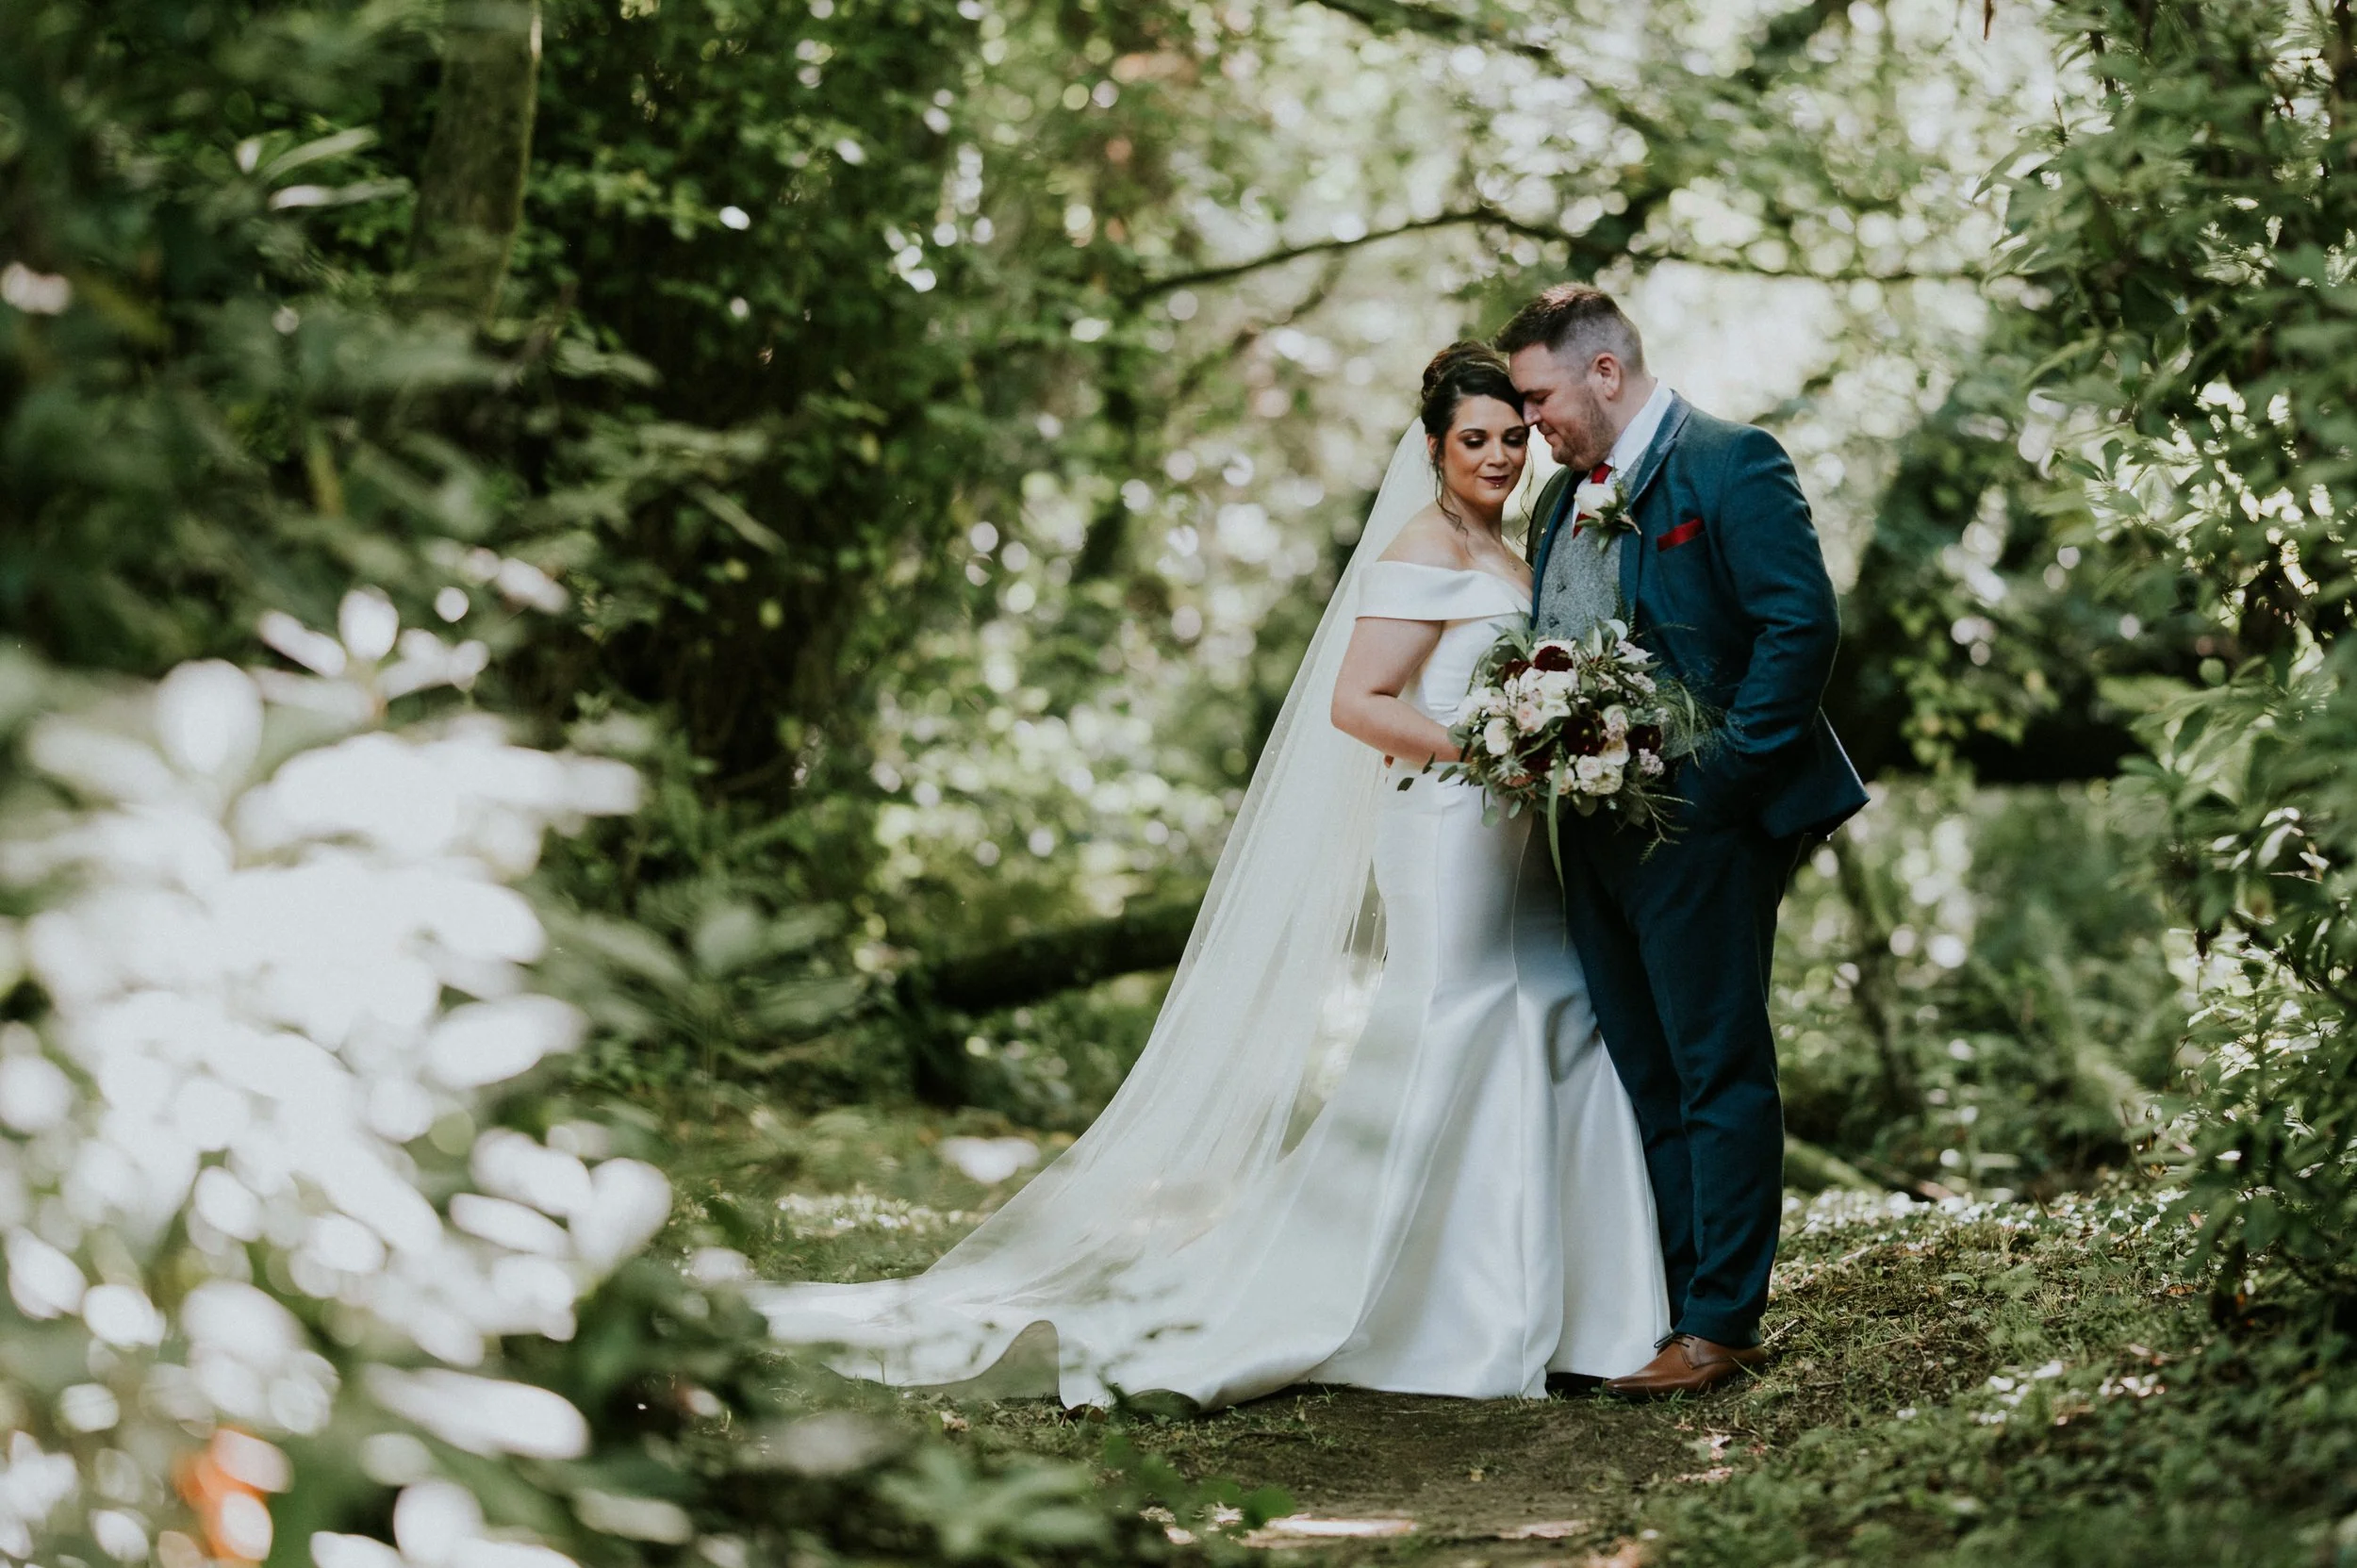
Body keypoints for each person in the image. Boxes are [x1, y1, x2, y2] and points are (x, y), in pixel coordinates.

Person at [754, 342, 1667, 1410]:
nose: (1500, 456)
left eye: (1513, 437)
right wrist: (1491, 747)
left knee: (1553, 1008)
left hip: (1516, 833)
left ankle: (1571, 1307)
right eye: (1476, 439)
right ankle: (1438, 1308)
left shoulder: (1514, 549)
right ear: (1433, 447)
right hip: (1449, 831)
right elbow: (1359, 703)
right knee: (1459, 1019)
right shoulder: (1423, 544)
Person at [1501, 285, 1869, 1398]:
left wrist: (1714, 784)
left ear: (1604, 371)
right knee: (1641, 1070)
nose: (1529, 428)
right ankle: (1662, 1306)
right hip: (1591, 833)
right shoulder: (1558, 501)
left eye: (1539, 398)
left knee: (1717, 1065)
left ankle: (1723, 1318)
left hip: (1702, 825)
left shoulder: (1730, 462)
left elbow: (1799, 628)